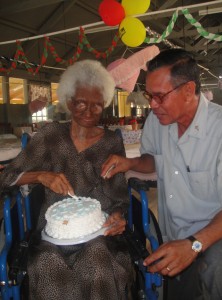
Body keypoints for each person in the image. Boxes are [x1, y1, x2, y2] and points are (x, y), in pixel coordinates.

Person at [0, 60, 134, 300]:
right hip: (53, 234)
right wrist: (40, 175)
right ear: (69, 101)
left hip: (100, 234)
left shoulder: (112, 142)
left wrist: (118, 216)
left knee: (96, 258)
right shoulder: (51, 135)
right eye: (82, 102)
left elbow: (119, 197)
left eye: (97, 105)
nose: (89, 111)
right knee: (46, 263)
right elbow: (7, 176)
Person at [102, 49, 222, 300]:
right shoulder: (158, 122)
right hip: (175, 233)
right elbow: (154, 160)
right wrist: (130, 162)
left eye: (159, 96)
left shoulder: (220, 131)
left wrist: (194, 245)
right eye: (149, 95)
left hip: (215, 234)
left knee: (216, 270)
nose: (152, 105)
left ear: (189, 90)